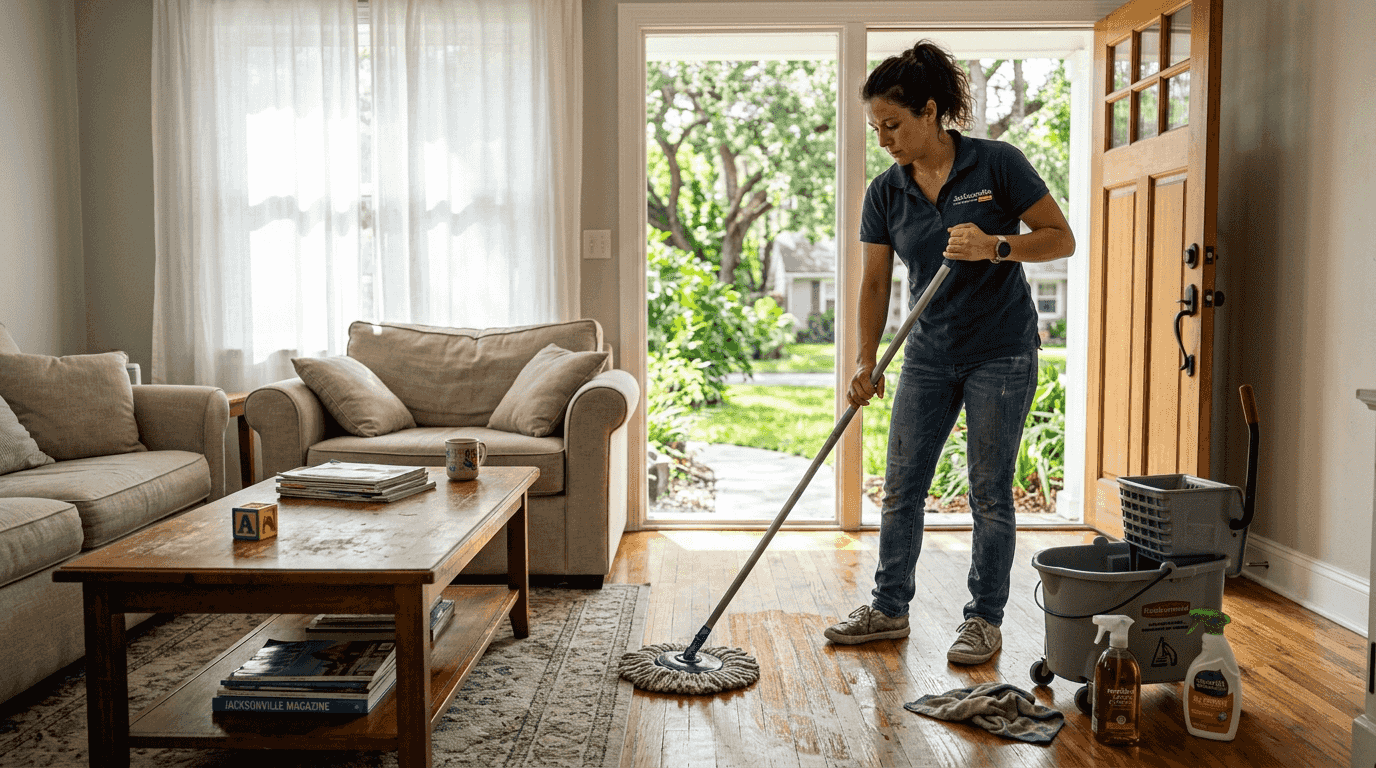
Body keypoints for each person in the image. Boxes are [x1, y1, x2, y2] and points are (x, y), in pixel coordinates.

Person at [823, 40, 1075, 665]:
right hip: (928, 353)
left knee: (989, 492)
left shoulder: (997, 163)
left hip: (1001, 351)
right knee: (901, 487)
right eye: (876, 128)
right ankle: (888, 608)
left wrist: (996, 246)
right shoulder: (886, 192)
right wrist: (864, 361)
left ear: (930, 111)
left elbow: (1059, 238)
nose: (883, 139)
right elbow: (874, 282)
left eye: (892, 124)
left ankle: (983, 620)